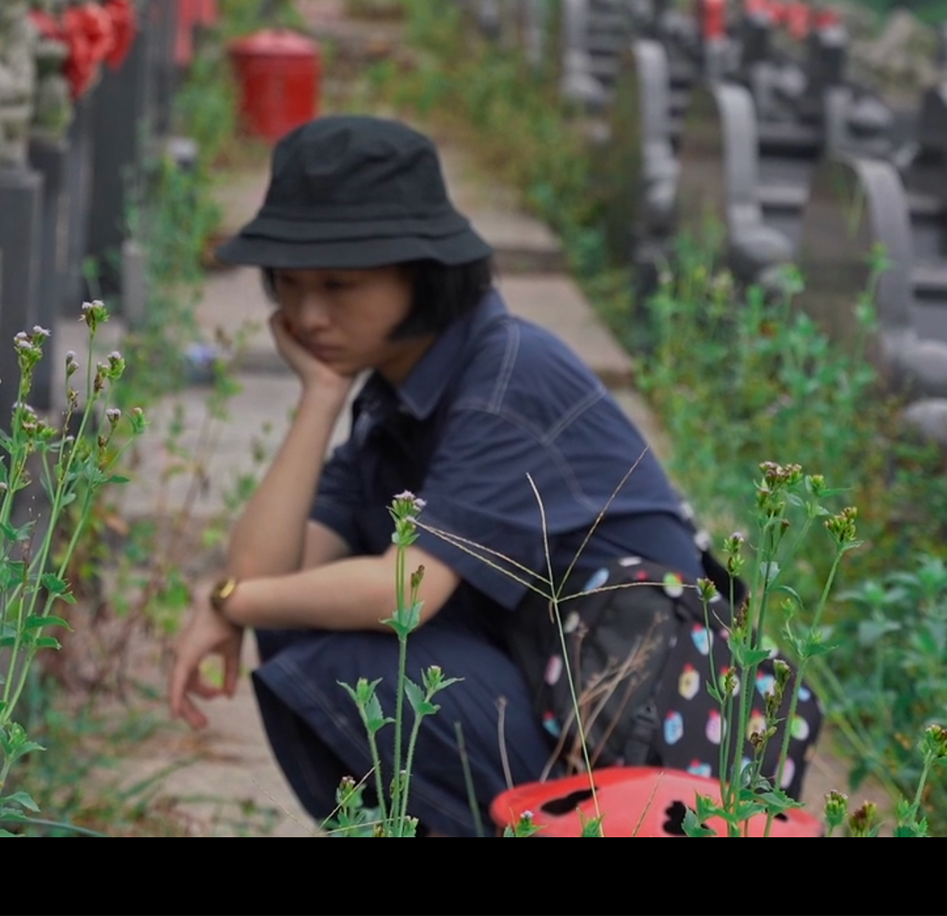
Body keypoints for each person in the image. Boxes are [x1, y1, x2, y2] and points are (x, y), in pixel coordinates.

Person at [165, 115, 722, 837]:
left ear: (424, 276)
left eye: (339, 284)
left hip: (636, 744)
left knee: (341, 654)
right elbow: (270, 569)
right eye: (288, 284)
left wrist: (230, 600)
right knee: (296, 624)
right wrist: (320, 396)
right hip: (539, 693)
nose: (307, 314)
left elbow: (405, 592)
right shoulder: (398, 389)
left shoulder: (505, 379)